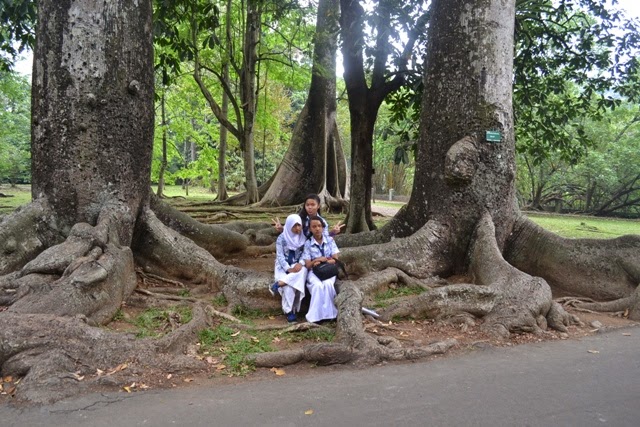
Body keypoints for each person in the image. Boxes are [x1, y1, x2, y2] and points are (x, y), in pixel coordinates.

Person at [270, 214, 308, 323]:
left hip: (297, 265)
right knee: (289, 286)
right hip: (283, 266)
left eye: (299, 225)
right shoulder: (282, 238)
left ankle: (279, 284)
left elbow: (306, 253)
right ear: (289, 226)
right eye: (294, 226)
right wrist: (287, 268)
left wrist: (300, 263)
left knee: (303, 270)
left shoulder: (303, 238)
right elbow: (280, 256)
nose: (297, 228)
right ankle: (289, 311)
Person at [301, 215, 340, 323]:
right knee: (317, 286)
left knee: (328, 284)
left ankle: (330, 314)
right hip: (314, 272)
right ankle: (315, 317)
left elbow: (335, 259)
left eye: (319, 226)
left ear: (323, 227)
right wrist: (315, 260)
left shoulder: (330, 240)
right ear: (310, 229)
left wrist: (324, 261)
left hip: (328, 270)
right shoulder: (308, 243)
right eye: (314, 226)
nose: (317, 229)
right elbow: (308, 265)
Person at [272, 194, 344, 239]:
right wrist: (281, 228)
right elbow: (289, 232)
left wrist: (333, 232)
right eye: (307, 205)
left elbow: (325, 238)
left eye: (313, 205)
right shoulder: (298, 219)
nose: (309, 207)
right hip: (298, 248)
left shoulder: (322, 222)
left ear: (318, 206)